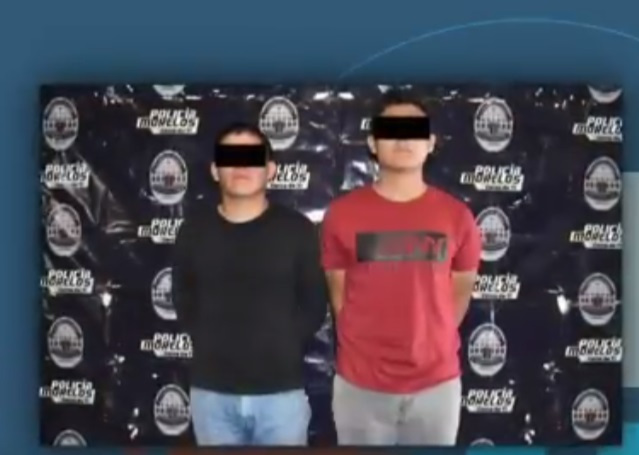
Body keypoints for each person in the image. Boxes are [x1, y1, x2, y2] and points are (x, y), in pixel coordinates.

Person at [320, 91, 482, 446]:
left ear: (430, 143)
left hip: (435, 388)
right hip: (360, 387)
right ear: (373, 143)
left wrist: (430, 339)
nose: (403, 139)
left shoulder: (457, 217)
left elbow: (460, 293)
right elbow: (339, 294)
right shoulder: (342, 215)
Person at [171, 123, 327, 446]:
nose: (241, 166)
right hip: (212, 396)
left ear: (270, 170)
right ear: (215, 170)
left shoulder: (297, 230)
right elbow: (183, 298)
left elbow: (314, 304)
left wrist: (280, 342)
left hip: (281, 396)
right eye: (231, 157)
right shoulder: (193, 231)